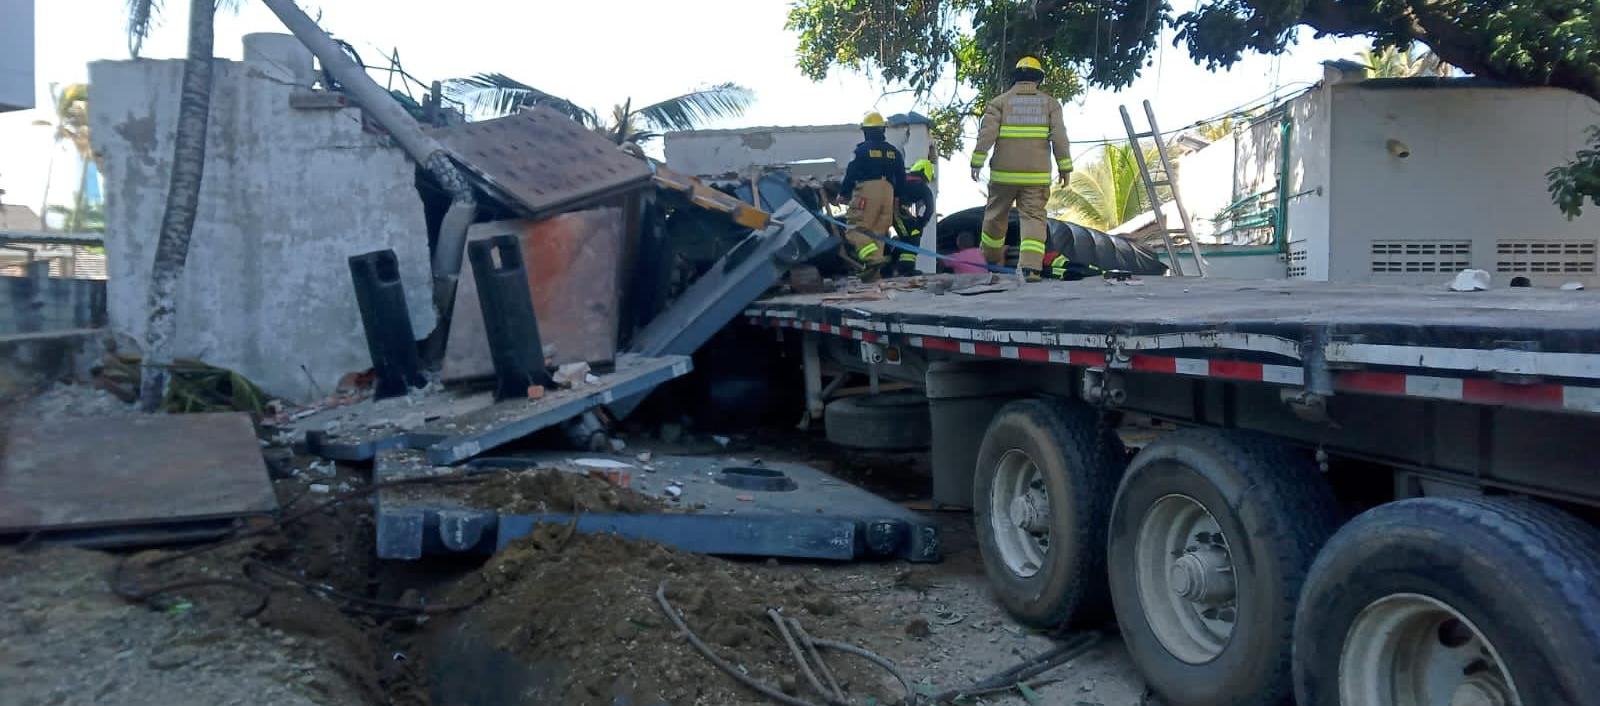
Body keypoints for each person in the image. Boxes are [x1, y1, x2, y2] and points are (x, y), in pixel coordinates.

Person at [970, 56, 1073, 282]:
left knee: (995, 215)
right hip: (1036, 176)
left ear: (1016, 77)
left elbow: (986, 135)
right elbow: (1060, 137)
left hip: (1003, 174)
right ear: (1038, 78)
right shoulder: (1050, 104)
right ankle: (1031, 268)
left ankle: (990, 260)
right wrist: (1065, 167)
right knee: (1034, 218)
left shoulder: (999, 102)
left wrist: (976, 161)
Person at [839, 111, 906, 281]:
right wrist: (898, 198)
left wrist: (843, 193)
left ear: (866, 131)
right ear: (883, 130)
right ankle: (872, 277)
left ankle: (873, 259)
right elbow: (902, 178)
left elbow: (852, 172)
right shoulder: (894, 152)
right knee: (878, 233)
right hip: (889, 193)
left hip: (868, 191)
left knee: (855, 230)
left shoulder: (862, 150)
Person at [890, 158, 937, 276]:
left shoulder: (901, 179)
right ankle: (906, 268)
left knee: (904, 238)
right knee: (912, 237)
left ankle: (891, 265)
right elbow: (929, 209)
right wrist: (921, 223)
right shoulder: (923, 188)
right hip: (898, 213)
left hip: (889, 211)